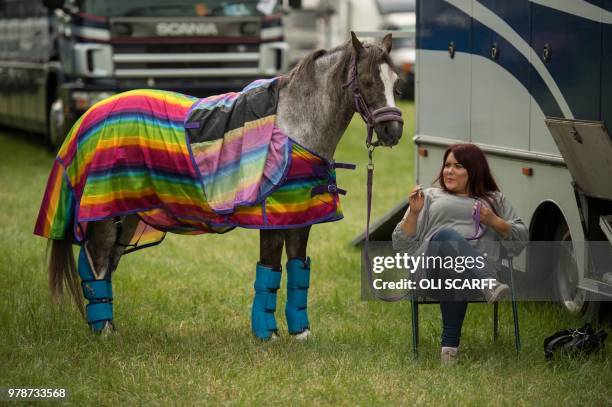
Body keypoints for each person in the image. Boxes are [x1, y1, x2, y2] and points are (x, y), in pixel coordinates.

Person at [392, 143, 528, 363]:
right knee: (446, 237)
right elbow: (400, 244)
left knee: (455, 268)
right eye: (446, 165)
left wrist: (493, 220)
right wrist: (413, 215)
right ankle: (486, 281)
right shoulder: (429, 196)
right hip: (430, 272)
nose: (449, 171)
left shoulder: (494, 200)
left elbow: (521, 239)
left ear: (473, 170)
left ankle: (449, 352)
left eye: (457, 166)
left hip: (466, 277)